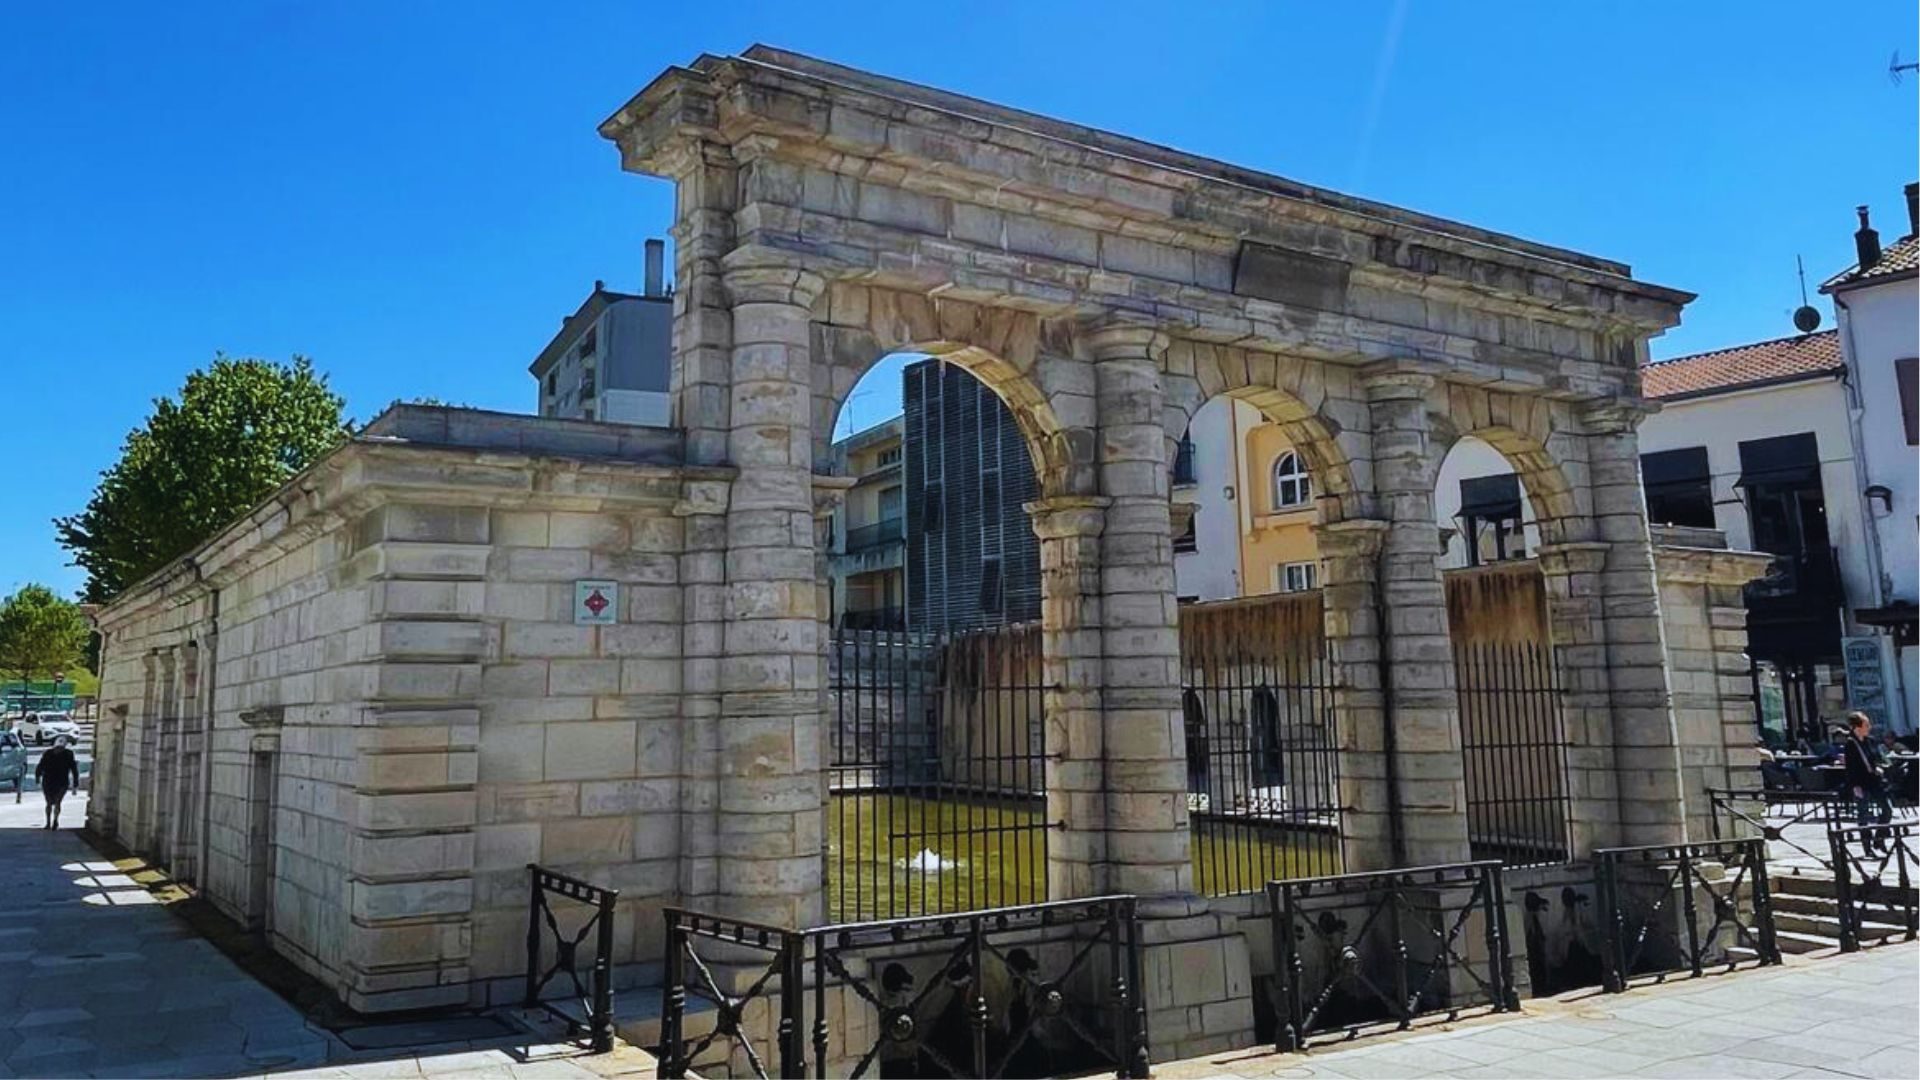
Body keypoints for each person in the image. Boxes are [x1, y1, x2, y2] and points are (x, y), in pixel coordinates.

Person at [1840, 711, 1892, 850]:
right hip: (1860, 782)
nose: (1869, 727)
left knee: (1887, 809)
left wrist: (1880, 766)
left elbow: (1878, 758)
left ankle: (1879, 838)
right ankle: (1866, 845)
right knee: (1863, 814)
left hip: (1874, 780)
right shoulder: (1851, 744)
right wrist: (1855, 785)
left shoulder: (1871, 741)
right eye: (1866, 724)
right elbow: (1850, 767)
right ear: (1857, 727)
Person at [33, 734, 80, 830]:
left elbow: (74, 769)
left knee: (57, 802)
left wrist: (75, 783)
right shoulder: (48, 753)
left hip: (61, 781)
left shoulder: (68, 754)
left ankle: (54, 821)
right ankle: (49, 821)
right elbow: (40, 765)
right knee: (49, 802)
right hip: (49, 781)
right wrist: (38, 776)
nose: (59, 749)